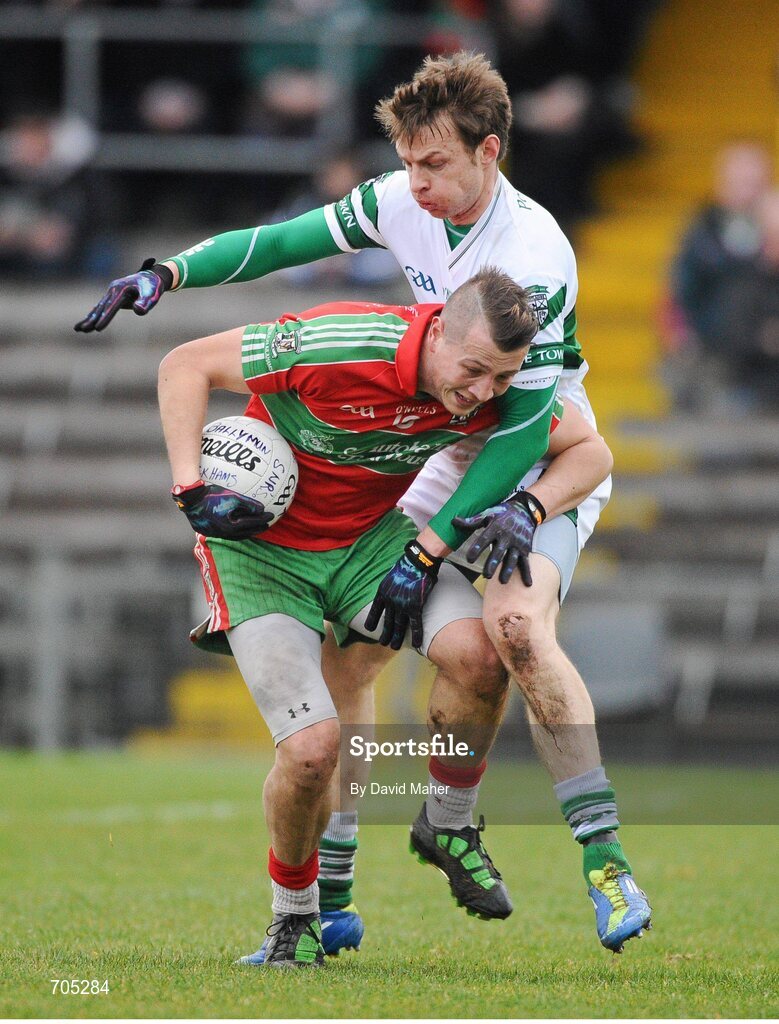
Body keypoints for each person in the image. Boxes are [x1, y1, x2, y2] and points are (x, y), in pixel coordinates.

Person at [76, 51, 651, 956]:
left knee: (505, 635)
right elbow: (280, 243)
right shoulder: (401, 204)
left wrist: (434, 549)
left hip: (533, 445)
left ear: (489, 151)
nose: (414, 184)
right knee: (351, 668)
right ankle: (335, 898)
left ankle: (576, 852)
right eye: (409, 163)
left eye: (435, 166)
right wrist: (170, 274)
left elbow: (519, 430)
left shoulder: (533, 258)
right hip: (445, 422)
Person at [158, 268, 584, 967]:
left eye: (500, 379)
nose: (481, 393)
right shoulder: (338, 342)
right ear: (438, 329)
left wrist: (528, 505)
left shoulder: (488, 388)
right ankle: (292, 920)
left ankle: (445, 825)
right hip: (261, 558)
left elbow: (588, 450)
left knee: (482, 657)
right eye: (474, 369)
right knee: (309, 753)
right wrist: (188, 487)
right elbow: (184, 364)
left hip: (368, 545)